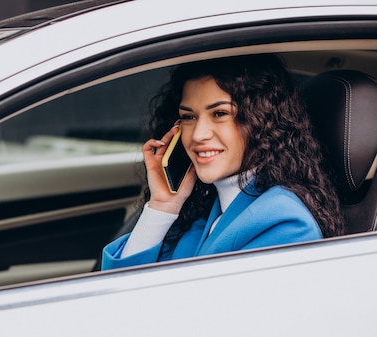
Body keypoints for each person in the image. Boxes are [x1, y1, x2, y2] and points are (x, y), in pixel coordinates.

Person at [101, 54, 345, 271]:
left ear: (261, 120)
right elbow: (118, 289)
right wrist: (162, 206)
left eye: (219, 114)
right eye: (188, 117)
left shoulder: (284, 224)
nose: (198, 134)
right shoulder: (205, 208)